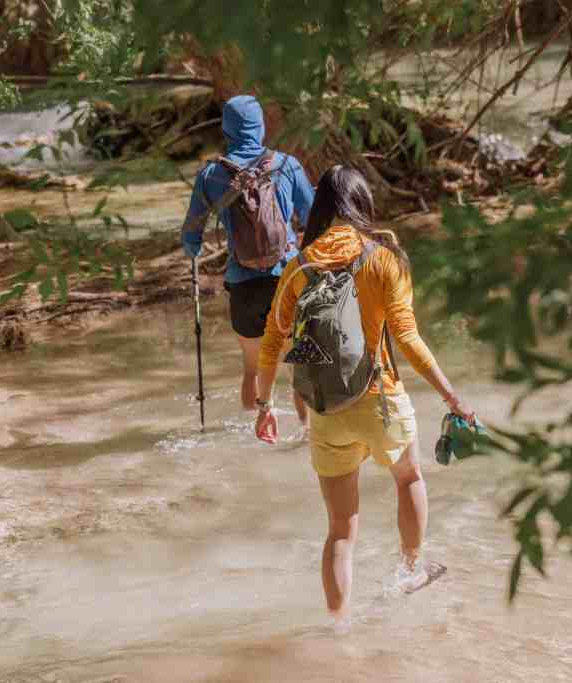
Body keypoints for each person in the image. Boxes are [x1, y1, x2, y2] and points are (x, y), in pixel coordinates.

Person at [253, 165, 476, 624]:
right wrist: (452, 397)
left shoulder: (299, 265)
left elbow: (273, 341)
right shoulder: (383, 258)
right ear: (362, 205)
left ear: (321, 210)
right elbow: (408, 338)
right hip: (380, 399)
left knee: (340, 530)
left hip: (327, 411)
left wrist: (264, 406)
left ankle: (338, 627)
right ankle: (412, 570)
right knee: (409, 477)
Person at [182, 95, 313, 430]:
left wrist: (194, 250)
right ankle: (304, 434)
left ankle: (249, 430)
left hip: (242, 284)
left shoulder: (211, 174)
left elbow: (191, 235)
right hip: (286, 280)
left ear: (226, 129)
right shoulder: (287, 165)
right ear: (261, 125)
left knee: (252, 367)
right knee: (296, 365)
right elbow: (313, 217)